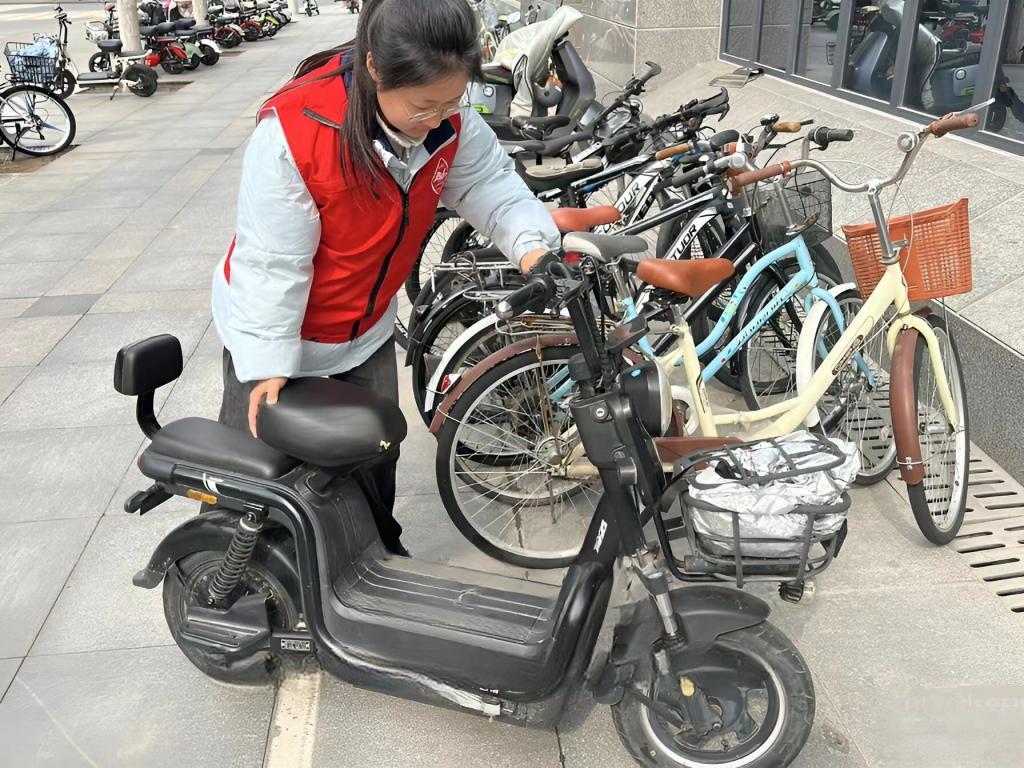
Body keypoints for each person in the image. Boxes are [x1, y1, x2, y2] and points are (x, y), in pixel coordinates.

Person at [211, 0, 560, 556]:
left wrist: (533, 247)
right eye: (424, 107)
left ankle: (370, 556)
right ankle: (233, 573)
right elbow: (272, 264)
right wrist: (266, 363)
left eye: (451, 102)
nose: (438, 119)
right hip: (280, 331)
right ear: (375, 67)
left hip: (366, 329)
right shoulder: (297, 131)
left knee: (374, 457)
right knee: (256, 476)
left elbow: (488, 185)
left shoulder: (449, 121)